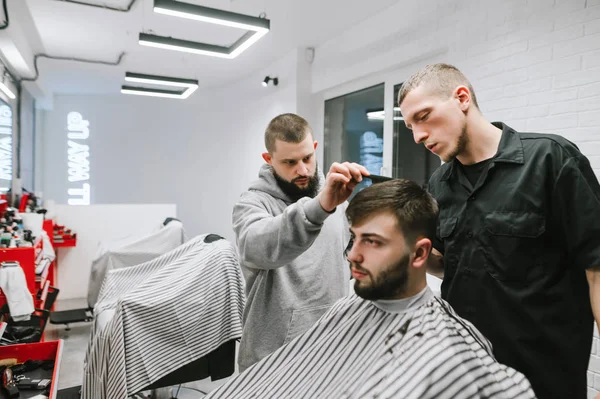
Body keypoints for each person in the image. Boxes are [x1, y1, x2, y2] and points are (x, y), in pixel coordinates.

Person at [207, 179, 536, 399]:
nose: (352, 254)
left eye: (373, 242)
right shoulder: (344, 310)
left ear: (420, 253)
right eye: (354, 238)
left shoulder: (452, 347)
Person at [397, 63, 600, 399]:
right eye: (409, 127)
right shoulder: (439, 184)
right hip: (464, 374)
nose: (417, 136)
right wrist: (405, 250)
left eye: (423, 116)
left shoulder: (551, 159)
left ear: (461, 98)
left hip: (544, 378)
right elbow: (450, 263)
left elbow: (596, 269)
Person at [232, 113, 369, 371]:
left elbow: (349, 258)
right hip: (271, 359)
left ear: (315, 148)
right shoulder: (252, 204)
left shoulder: (335, 201)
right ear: (269, 159)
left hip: (329, 346)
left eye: (307, 158)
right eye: (290, 162)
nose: (303, 170)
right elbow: (258, 246)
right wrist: (319, 208)